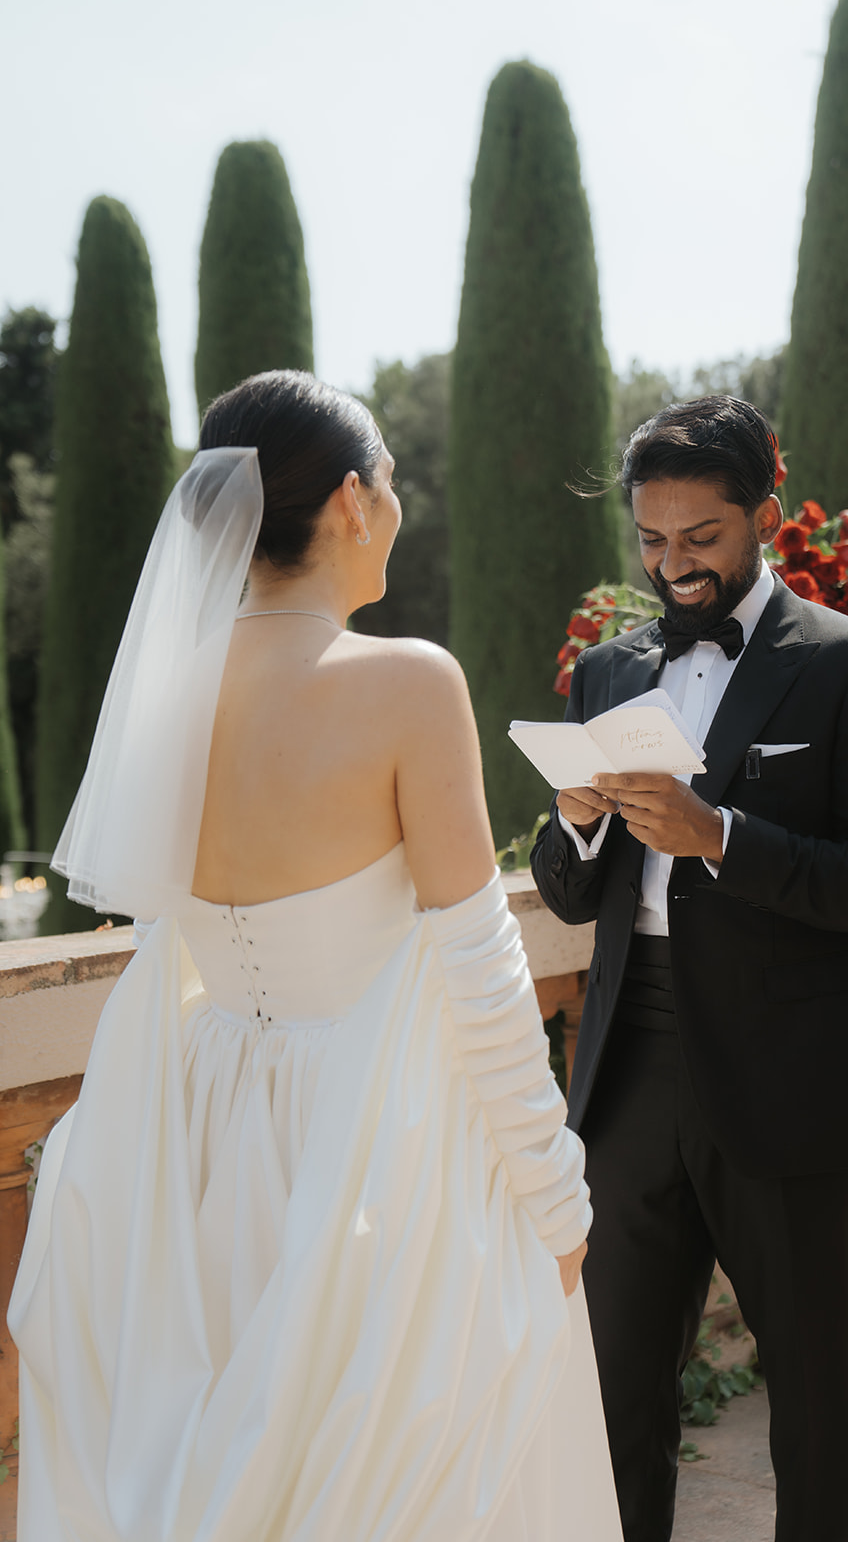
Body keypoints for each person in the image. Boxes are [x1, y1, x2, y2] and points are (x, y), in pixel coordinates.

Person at [9, 370, 623, 1542]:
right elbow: (479, 963)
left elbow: (163, 942)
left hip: (202, 1138)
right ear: (349, 500)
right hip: (380, 1153)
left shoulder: (164, 699)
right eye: (390, 478)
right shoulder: (405, 682)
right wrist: (553, 1193)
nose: (398, 504)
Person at [530, 396, 848, 1542]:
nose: (673, 567)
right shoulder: (606, 672)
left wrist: (719, 838)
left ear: (765, 512)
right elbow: (567, 894)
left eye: (700, 539)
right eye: (651, 542)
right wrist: (577, 822)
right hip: (627, 1076)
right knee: (615, 1399)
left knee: (812, 1399)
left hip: (793, 1072)